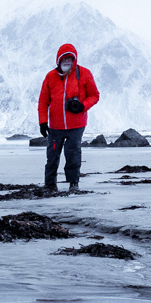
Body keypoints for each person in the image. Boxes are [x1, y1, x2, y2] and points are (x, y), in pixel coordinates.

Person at [37, 42, 100, 192]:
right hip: (55, 127)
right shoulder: (50, 77)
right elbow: (43, 102)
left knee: (73, 155)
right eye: (64, 58)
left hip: (76, 125)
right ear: (58, 60)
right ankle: (50, 185)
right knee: (52, 156)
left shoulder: (84, 74)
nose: (67, 61)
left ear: (74, 60)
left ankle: (73, 184)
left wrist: (83, 105)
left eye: (70, 59)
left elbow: (94, 95)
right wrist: (43, 122)